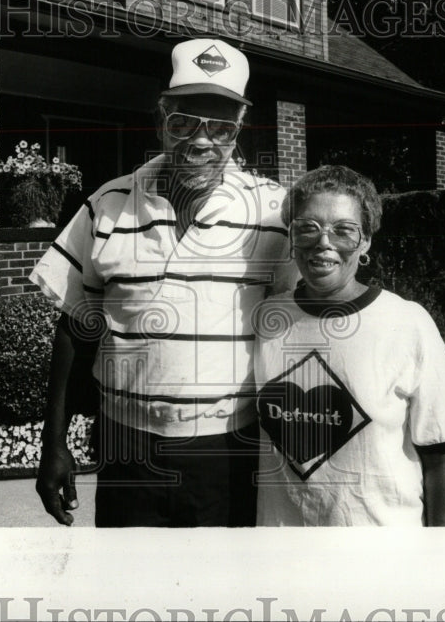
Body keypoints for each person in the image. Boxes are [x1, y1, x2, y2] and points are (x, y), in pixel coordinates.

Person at [30, 38, 296, 527]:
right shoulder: (107, 205)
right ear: (160, 123)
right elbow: (74, 328)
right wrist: (54, 444)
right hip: (124, 447)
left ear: (238, 132)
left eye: (219, 127)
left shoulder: (275, 213)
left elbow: (307, 324)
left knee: (219, 596)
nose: (200, 141)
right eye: (184, 122)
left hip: (229, 450)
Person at [252, 164, 445, 526]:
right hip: (283, 551)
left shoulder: (406, 323)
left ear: (365, 240)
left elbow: (443, 458)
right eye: (308, 228)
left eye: (344, 231)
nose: (323, 242)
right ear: (291, 237)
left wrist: (442, 560)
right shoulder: (268, 318)